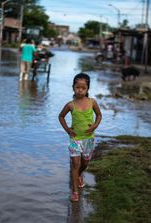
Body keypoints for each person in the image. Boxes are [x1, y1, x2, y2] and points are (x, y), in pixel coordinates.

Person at [58, 73, 102, 202]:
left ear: (88, 89)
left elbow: (99, 115)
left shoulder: (92, 102)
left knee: (85, 163)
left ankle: (78, 175)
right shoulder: (70, 105)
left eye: (83, 88)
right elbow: (61, 117)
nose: (80, 90)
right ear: (73, 88)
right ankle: (75, 191)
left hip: (88, 139)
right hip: (75, 139)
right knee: (75, 163)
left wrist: (94, 126)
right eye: (78, 87)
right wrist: (67, 130)